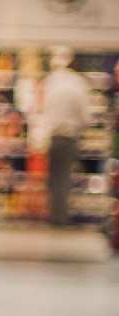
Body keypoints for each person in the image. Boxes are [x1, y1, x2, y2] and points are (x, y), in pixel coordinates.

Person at [40, 46, 92, 227]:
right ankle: (60, 217)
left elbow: (42, 109)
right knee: (64, 177)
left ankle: (54, 214)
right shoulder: (79, 83)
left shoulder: (51, 80)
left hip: (53, 136)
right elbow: (85, 115)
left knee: (53, 178)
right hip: (69, 136)